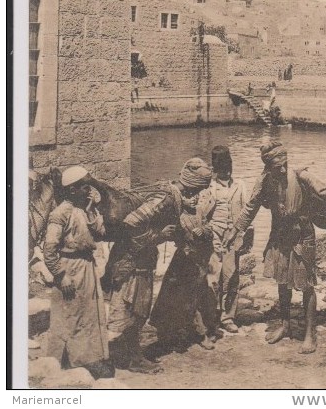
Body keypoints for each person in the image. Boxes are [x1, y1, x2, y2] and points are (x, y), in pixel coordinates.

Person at [105, 157, 212, 372]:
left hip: (137, 257)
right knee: (137, 309)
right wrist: (158, 236)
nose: (197, 196)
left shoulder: (171, 193)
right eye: (198, 190)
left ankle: (129, 353)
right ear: (191, 186)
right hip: (133, 261)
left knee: (137, 309)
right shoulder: (166, 199)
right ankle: (134, 359)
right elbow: (131, 222)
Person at [224, 143, 326, 354]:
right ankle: (285, 324)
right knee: (282, 281)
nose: (281, 170)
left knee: (306, 284)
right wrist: (236, 231)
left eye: (284, 165)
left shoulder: (300, 176)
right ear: (268, 167)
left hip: (302, 234)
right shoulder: (264, 181)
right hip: (280, 234)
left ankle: (310, 334)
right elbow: (250, 207)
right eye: (277, 167)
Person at [43, 166, 110, 378]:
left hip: (86, 267)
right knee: (69, 315)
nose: (88, 190)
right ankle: (65, 361)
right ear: (72, 190)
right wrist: (61, 275)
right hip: (69, 268)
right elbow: (49, 249)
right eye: (84, 187)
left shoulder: (86, 209)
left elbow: (100, 235)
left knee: (88, 314)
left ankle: (86, 359)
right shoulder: (60, 213)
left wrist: (91, 209)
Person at [149, 183, 217, 350]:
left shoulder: (199, 212)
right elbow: (170, 235)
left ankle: (200, 333)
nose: (193, 199)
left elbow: (210, 230)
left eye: (196, 196)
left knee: (196, 297)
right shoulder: (176, 215)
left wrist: (203, 230)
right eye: (188, 197)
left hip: (199, 260)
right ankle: (171, 334)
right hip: (182, 260)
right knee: (174, 297)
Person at [202, 146, 248, 334]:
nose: (226, 171)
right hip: (214, 235)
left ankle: (228, 316)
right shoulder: (209, 187)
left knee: (232, 277)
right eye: (222, 168)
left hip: (233, 237)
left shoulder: (240, 185)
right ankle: (211, 317)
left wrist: (244, 237)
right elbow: (203, 214)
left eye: (228, 167)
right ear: (215, 169)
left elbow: (246, 212)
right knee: (213, 278)